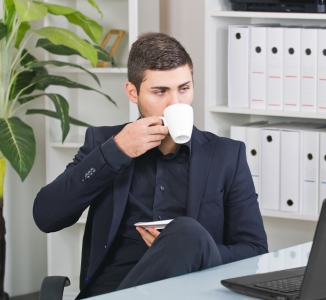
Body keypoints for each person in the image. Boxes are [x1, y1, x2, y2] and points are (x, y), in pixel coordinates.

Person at [33, 32, 268, 299]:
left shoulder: (226, 155)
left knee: (187, 233)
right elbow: (46, 216)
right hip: (112, 289)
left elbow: (255, 249)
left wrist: (190, 250)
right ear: (133, 92)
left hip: (189, 290)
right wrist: (117, 151)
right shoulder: (103, 144)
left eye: (184, 88)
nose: (175, 103)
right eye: (160, 92)